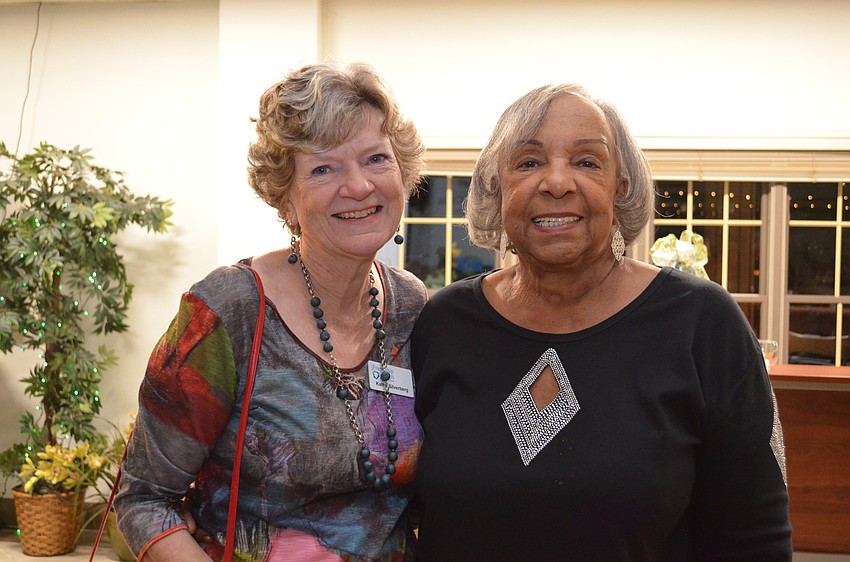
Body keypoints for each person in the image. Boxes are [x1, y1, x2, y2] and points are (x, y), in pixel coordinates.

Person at [410, 84, 792, 560]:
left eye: (587, 162)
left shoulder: (701, 323)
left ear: (622, 186)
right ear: (495, 185)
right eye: (528, 162)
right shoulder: (443, 323)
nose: (556, 182)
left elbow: (753, 536)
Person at [114, 62, 427, 562]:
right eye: (323, 168)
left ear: (403, 175)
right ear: (286, 200)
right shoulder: (228, 310)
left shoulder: (413, 307)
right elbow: (143, 500)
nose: (360, 186)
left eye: (375, 159)